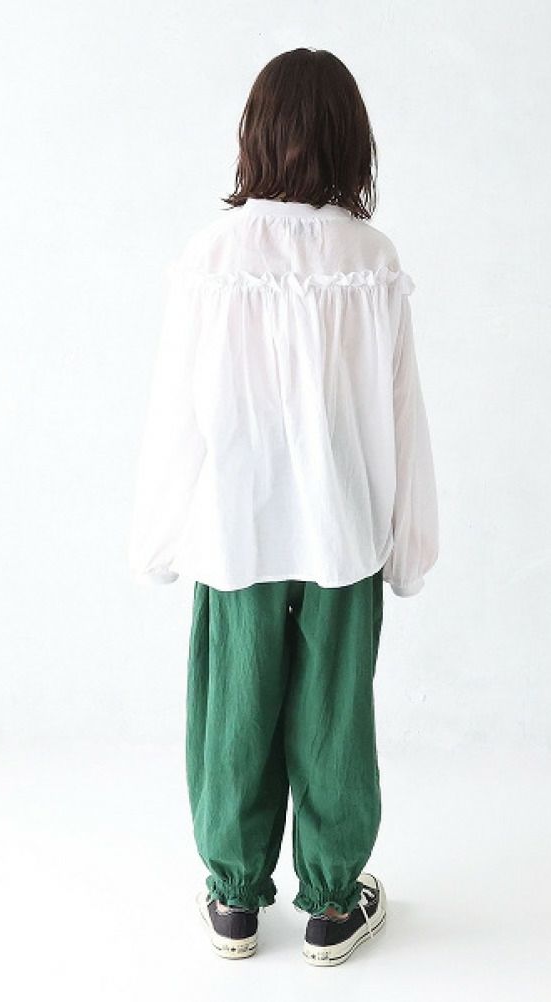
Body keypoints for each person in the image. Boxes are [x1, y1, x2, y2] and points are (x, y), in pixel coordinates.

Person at [127, 47, 438, 966]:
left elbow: (177, 410)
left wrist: (159, 535)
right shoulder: (370, 258)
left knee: (234, 709)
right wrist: (409, 544)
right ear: (350, 139)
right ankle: (333, 906)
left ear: (255, 136)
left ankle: (233, 898)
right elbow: (403, 413)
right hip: (342, 530)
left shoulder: (211, 256)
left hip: (235, 529)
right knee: (335, 712)